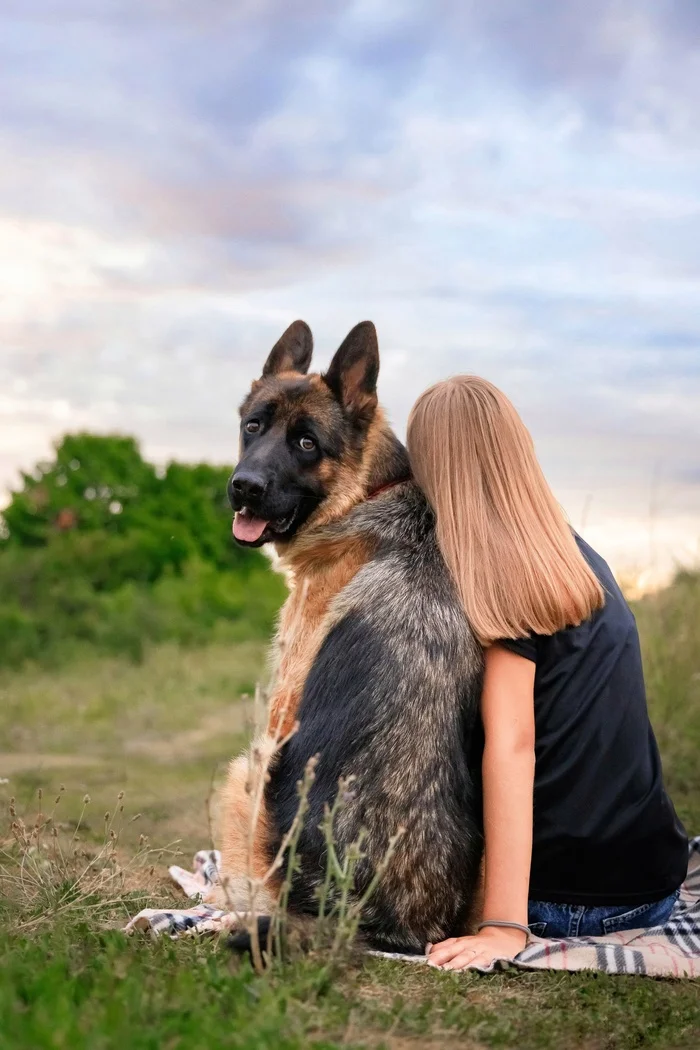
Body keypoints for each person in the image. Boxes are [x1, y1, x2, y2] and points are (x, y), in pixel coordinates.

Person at [406, 375, 688, 971]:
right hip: (651, 880)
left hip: (569, 901)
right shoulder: (574, 556)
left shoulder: (496, 577)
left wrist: (504, 926)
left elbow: (513, 746)